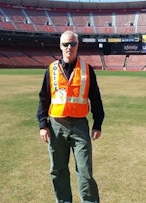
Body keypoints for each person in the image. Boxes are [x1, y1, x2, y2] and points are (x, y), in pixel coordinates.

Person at [36, 30, 105, 203]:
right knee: (58, 170)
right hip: (56, 126)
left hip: (80, 126)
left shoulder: (87, 69)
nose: (69, 47)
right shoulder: (51, 70)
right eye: (66, 44)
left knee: (85, 171)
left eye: (72, 44)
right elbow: (44, 97)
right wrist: (43, 125)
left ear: (77, 46)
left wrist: (98, 123)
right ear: (60, 46)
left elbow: (95, 98)